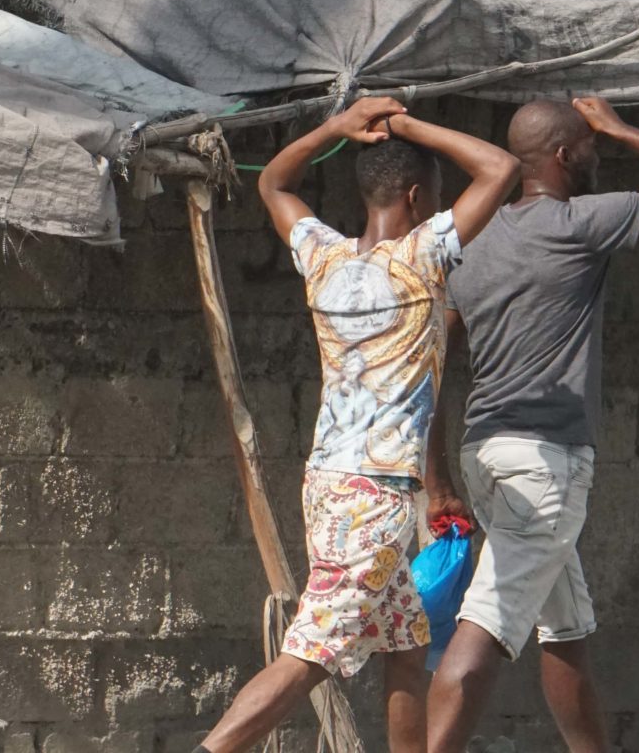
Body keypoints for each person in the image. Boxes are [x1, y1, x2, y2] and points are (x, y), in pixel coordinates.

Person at [198, 97, 520, 753]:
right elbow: (501, 167)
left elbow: (273, 182)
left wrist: (335, 130)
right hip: (374, 499)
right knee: (310, 654)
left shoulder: (324, 256)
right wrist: (405, 125)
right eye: (432, 197)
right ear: (414, 194)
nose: (436, 208)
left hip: (329, 486)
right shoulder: (423, 256)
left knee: (407, 646)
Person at [423, 96, 639, 753]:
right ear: (565, 155)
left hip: (485, 454)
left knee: (564, 635)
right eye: (591, 146)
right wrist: (622, 125)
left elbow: (430, 362)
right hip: (545, 464)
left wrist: (437, 476)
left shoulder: (470, 240)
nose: (599, 154)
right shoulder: (576, 222)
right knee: (482, 631)